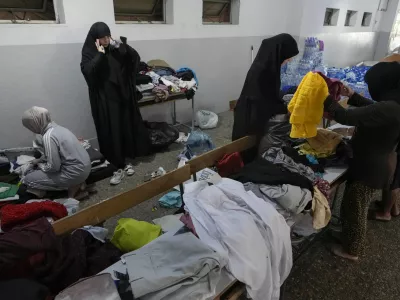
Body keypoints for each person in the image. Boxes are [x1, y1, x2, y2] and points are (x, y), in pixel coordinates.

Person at [324, 62, 400, 261]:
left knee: (356, 208)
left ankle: (352, 250)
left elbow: (345, 116)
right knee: (352, 204)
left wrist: (322, 96)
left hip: (372, 167)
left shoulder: (391, 108)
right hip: (377, 162)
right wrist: (352, 96)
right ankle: (347, 236)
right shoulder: (394, 103)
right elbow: (375, 109)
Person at [81, 22, 151, 185]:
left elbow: (134, 58)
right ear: (95, 39)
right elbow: (88, 71)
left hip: (121, 95)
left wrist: (121, 46)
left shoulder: (113, 48)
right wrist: (99, 54)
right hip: (104, 100)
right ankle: (116, 161)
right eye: (103, 38)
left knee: (125, 124)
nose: (106, 40)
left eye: (108, 36)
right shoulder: (89, 52)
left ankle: (128, 154)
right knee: (110, 129)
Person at [232, 34, 299, 142]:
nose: (288, 61)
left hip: (255, 116)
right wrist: (285, 108)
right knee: (249, 152)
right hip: (251, 120)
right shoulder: (263, 71)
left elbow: (269, 94)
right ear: (279, 54)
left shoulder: (266, 67)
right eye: (287, 58)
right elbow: (263, 103)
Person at [22, 106, 91, 198]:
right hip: (85, 168)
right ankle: (78, 185)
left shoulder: (48, 136)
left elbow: (53, 167)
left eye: (30, 126)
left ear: (35, 123)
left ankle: (73, 190)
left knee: (28, 179)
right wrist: (39, 160)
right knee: (40, 170)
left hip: (74, 174)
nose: (31, 130)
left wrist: (39, 166)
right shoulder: (59, 128)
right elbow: (54, 154)